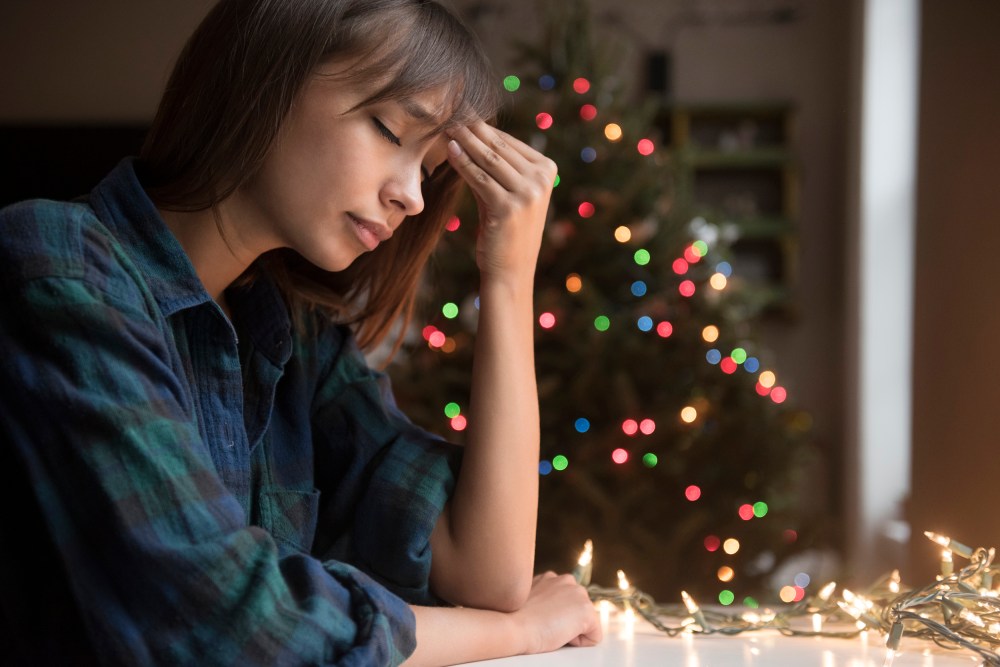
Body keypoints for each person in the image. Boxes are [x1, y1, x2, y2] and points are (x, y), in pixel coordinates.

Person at [0, 0, 602, 664]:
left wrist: (509, 281)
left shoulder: (295, 335)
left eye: (429, 169)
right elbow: (230, 622)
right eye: (389, 128)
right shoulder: (58, 267)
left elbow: (487, 572)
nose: (415, 196)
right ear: (267, 74)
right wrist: (518, 633)